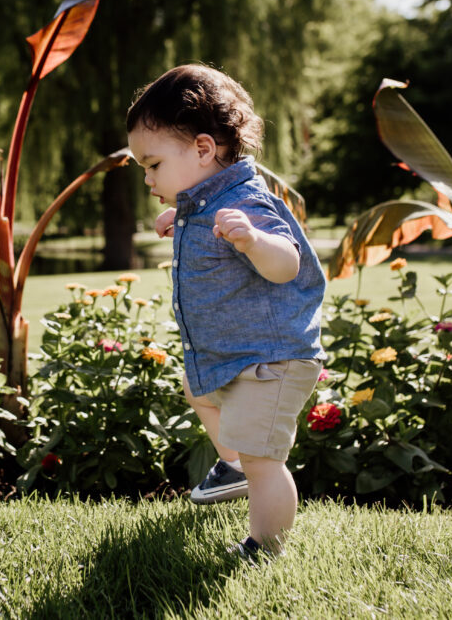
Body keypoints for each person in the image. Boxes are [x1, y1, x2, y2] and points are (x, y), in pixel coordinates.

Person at [126, 64, 326, 559]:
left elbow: (286, 264)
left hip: (271, 358)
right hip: (232, 355)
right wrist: (180, 218)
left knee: (264, 460)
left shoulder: (246, 202)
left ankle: (265, 547)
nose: (147, 178)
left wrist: (254, 240)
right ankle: (233, 467)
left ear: (202, 149)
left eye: (153, 164)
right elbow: (206, 228)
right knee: (197, 388)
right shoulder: (203, 205)